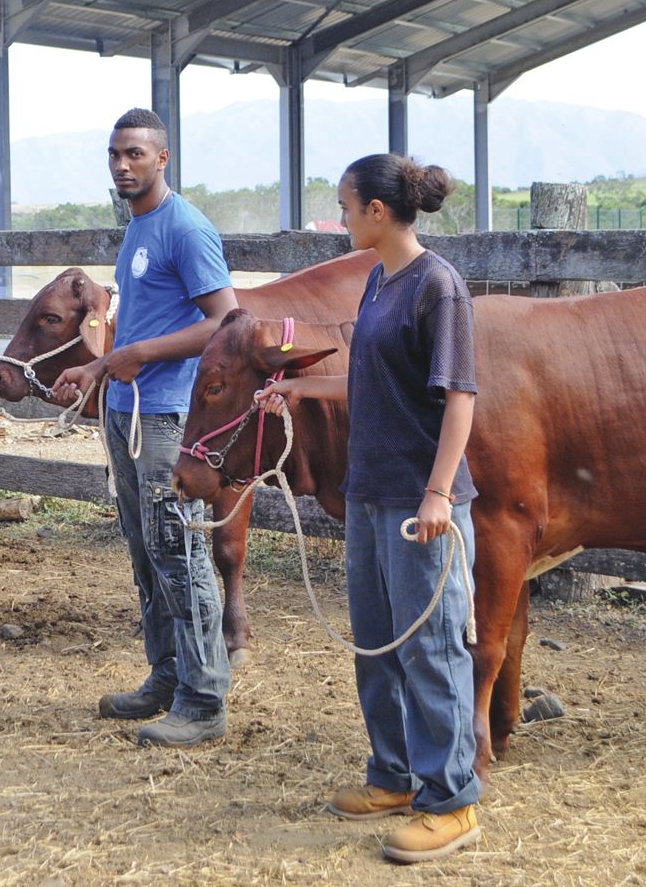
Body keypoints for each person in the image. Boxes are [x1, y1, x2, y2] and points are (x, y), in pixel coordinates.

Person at [257, 154, 482, 864]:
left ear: (377, 213)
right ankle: (391, 773)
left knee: (431, 645)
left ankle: (451, 800)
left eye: (346, 207)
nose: (342, 219)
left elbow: (460, 398)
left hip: (420, 501)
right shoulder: (379, 281)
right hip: (369, 493)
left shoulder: (436, 287)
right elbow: (370, 382)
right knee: (377, 642)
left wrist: (440, 490)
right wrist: (297, 393)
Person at [52, 108, 239, 748]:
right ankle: (166, 675)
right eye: (115, 154)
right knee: (147, 549)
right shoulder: (137, 228)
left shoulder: (186, 228)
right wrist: (97, 371)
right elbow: (136, 324)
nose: (122, 165)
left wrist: (135, 356)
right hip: (127, 412)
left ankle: (204, 695)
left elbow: (227, 322)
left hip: (167, 416)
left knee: (180, 551)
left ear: (163, 159)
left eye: (135, 154)